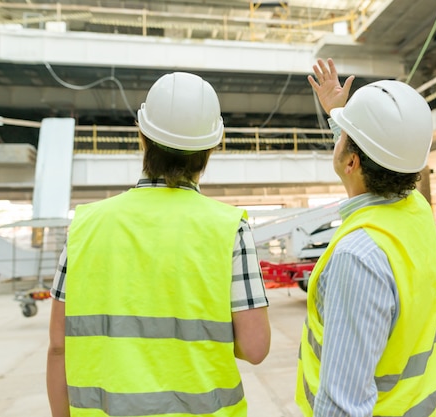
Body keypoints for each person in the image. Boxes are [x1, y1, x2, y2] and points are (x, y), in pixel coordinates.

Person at [47, 71, 271, 417]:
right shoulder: (228, 229)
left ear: (142, 136)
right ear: (212, 146)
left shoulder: (85, 227)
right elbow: (255, 347)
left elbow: (60, 348)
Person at [295, 58, 436, 417]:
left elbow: (343, 405)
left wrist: (345, 121)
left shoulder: (358, 256)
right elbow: (372, 159)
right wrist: (340, 117)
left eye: (343, 135)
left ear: (351, 163)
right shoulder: (416, 211)